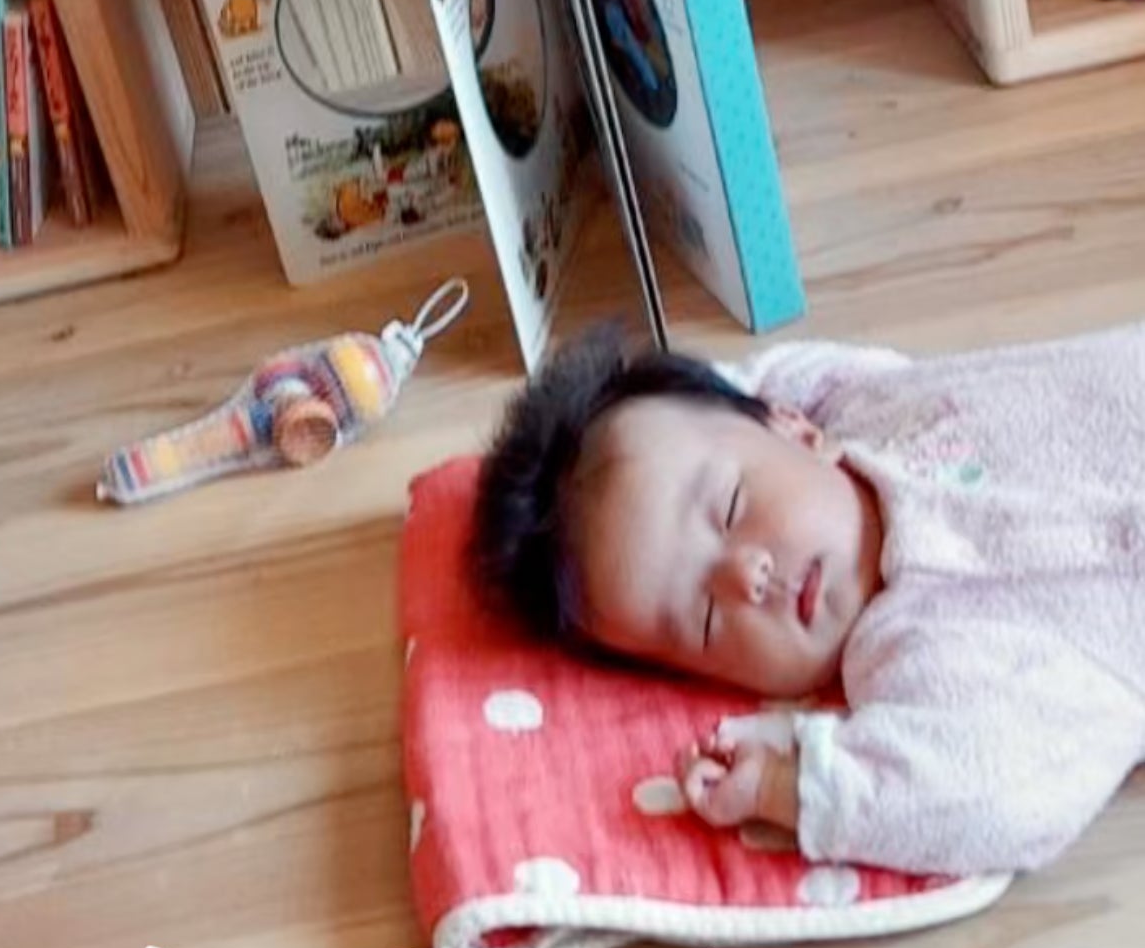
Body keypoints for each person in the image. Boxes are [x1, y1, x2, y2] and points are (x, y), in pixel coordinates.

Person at [472, 321, 1145, 877]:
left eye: (732, 509)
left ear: (794, 429)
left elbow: (770, 379)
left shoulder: (868, 406)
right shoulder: (920, 663)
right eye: (706, 619)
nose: (747, 577)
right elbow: (993, 792)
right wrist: (787, 788)